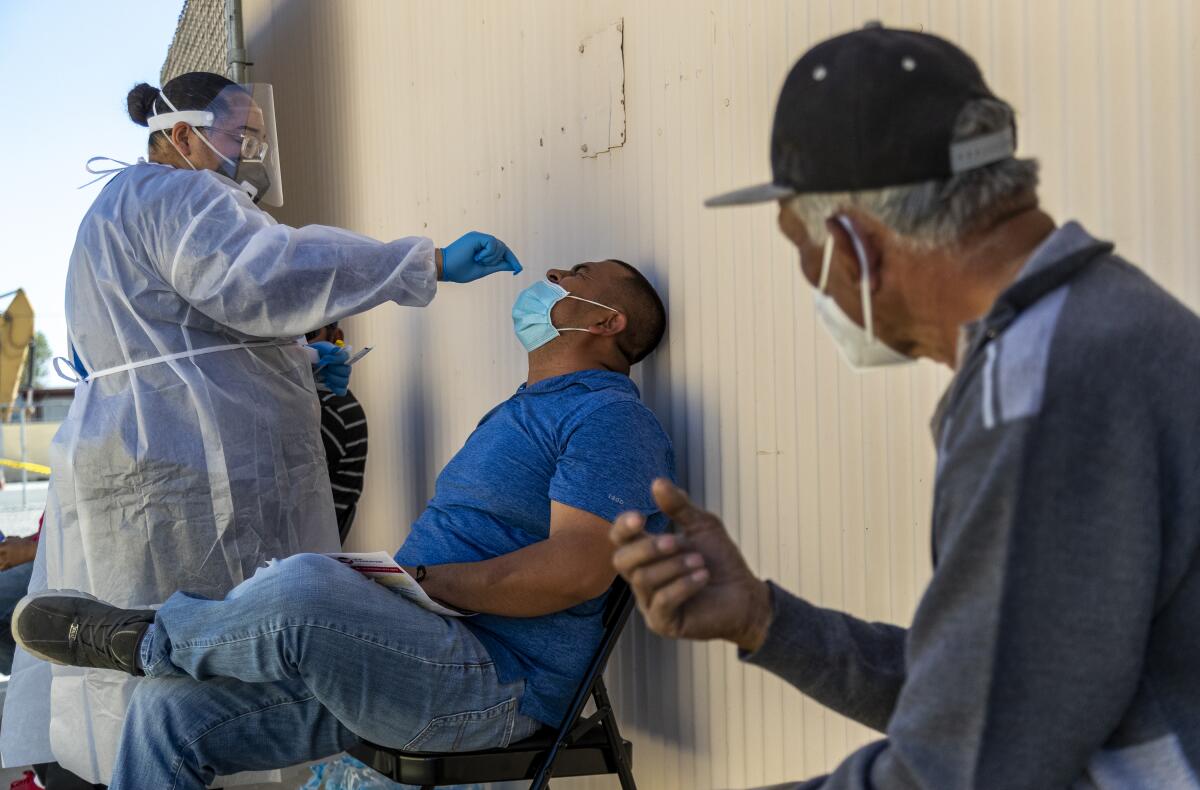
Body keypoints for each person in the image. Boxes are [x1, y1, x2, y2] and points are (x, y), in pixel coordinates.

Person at [610, 24, 1200, 789]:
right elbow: (986, 694)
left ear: (853, 246)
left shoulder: (1040, 393)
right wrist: (764, 620)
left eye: (800, 249)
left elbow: (962, 767)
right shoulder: (1103, 322)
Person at [0, 70, 524, 785]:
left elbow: (179, 334)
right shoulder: (175, 194)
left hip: (155, 452)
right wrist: (419, 262)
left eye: (255, 137)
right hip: (184, 468)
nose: (248, 150)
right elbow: (260, 279)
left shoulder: (127, 207)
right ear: (180, 133)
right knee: (196, 653)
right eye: (237, 134)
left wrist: (304, 361)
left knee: (161, 661)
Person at [13, 260, 674, 790]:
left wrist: (425, 582)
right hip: (416, 654)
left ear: (607, 321)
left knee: (305, 587)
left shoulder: (611, 418)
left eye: (574, 276)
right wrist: (403, 589)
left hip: (494, 681)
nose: (552, 275)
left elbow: (580, 569)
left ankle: (145, 641)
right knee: (165, 714)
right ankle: (161, 648)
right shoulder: (528, 408)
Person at [305, 322, 369, 542]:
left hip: (300, 559)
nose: (296, 347)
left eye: (309, 334)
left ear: (336, 337)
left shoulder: (328, 410)